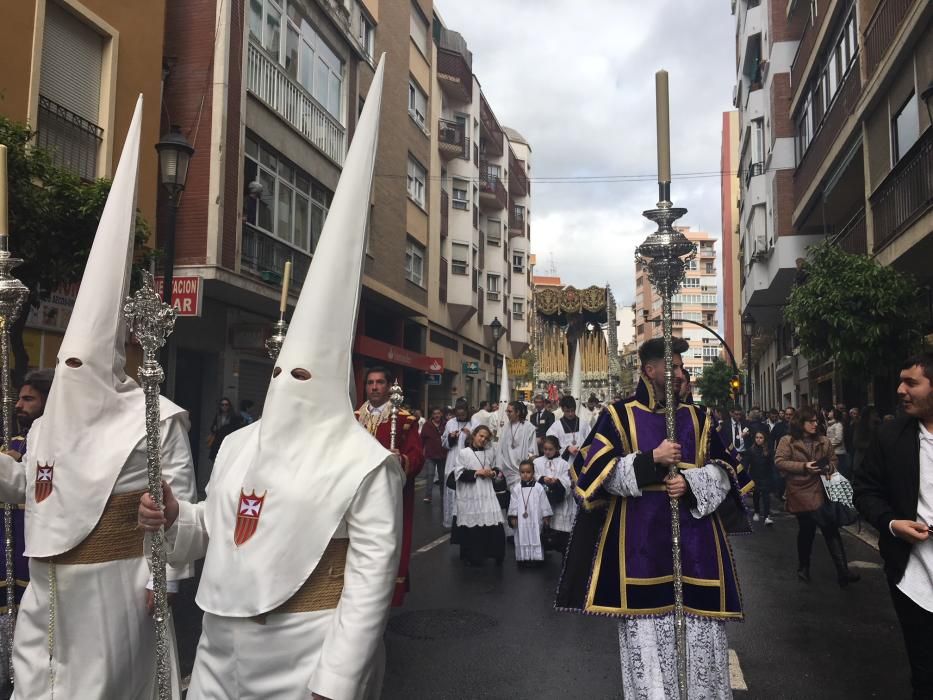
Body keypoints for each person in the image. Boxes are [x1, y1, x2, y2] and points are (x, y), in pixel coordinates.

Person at [138, 59, 402, 700]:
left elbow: (370, 580)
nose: (287, 381)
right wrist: (173, 518)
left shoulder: (365, 463)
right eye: (282, 371)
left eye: (303, 372)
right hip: (221, 647)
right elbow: (208, 534)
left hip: (305, 654)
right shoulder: (236, 447)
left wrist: (335, 683)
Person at [0, 98, 196, 698]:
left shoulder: (156, 420)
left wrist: (162, 572)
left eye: (85, 363)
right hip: (48, 596)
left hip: (118, 598)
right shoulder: (47, 424)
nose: (74, 373)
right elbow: (32, 487)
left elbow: (186, 518)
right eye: (66, 364)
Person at [557, 337, 750, 698]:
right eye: (672, 366)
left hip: (697, 551)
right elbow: (589, 477)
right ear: (650, 370)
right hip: (639, 551)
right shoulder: (617, 415)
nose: (681, 373)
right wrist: (651, 460)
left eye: (681, 366)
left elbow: (729, 471)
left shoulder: (700, 417)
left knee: (702, 642)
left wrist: (693, 483)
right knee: (647, 647)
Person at [854, 353, 933, 698]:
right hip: (913, 579)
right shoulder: (890, 437)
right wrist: (891, 523)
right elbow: (865, 492)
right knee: (925, 675)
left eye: (911, 382)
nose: (900, 390)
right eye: (901, 381)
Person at [0, 370, 53, 694]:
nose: (19, 405)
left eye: (28, 399)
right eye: (18, 398)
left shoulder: (51, 442)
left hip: (37, 548)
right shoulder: (14, 443)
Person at [356, 365, 424, 607]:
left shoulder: (405, 421)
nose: (374, 387)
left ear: (388, 387)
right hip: (355, 494)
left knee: (385, 545)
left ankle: (382, 593)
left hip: (388, 495)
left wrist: (400, 461)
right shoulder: (353, 419)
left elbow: (416, 457)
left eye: (379, 382)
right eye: (370, 382)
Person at [775, 406, 859, 587]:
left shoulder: (824, 440)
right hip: (800, 490)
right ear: (800, 423)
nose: (815, 424)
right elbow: (780, 462)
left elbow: (834, 461)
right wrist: (805, 466)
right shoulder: (787, 440)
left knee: (829, 526)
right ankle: (805, 567)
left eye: (816, 421)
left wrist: (829, 467)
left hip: (822, 489)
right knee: (808, 530)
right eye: (810, 421)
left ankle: (841, 571)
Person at [454, 426, 506, 566]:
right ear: (474, 435)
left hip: (487, 491)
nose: (483, 440)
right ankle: (473, 556)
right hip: (471, 492)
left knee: (493, 522)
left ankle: (495, 554)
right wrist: (477, 473)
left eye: (486, 438)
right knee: (473, 524)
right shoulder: (464, 453)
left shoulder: (490, 452)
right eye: (481, 436)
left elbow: (498, 470)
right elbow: (458, 474)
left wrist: (493, 473)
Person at [508, 460, 552, 567]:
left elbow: (544, 503)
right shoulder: (516, 488)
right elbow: (513, 503)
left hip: (535, 518)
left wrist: (546, 517)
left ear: (533, 473)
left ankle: (536, 559)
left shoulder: (538, 487)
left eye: (528, 472)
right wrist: (513, 516)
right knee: (521, 536)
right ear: (519, 473)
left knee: (536, 535)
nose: (525, 475)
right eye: (522, 472)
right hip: (521, 520)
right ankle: (523, 558)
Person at [533, 435, 573, 554]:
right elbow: (533, 475)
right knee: (543, 526)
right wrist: (542, 478)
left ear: (557, 449)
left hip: (557, 496)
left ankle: (561, 546)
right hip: (542, 495)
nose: (547, 452)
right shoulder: (537, 462)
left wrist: (558, 481)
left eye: (550, 449)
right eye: (545, 449)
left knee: (559, 526)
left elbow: (567, 480)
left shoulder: (564, 464)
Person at [442, 400, 472, 529]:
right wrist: (450, 437)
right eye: (458, 415)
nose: (460, 417)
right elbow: (443, 442)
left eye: (463, 415)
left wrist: (470, 436)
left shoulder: (473, 423)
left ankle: (466, 519)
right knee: (451, 490)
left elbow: (481, 441)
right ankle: (451, 521)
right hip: (452, 460)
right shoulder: (450, 423)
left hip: (468, 462)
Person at [498, 400, 537, 488]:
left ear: (518, 412)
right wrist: (499, 467)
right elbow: (500, 449)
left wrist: (530, 466)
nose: (507, 414)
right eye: (507, 411)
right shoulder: (505, 428)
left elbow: (532, 450)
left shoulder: (528, 427)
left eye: (510, 411)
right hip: (508, 470)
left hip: (523, 470)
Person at [746, 429, 774, 526]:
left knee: (766, 497)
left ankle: (767, 516)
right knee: (756, 495)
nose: (758, 440)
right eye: (757, 438)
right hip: (755, 477)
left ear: (764, 439)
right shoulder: (751, 450)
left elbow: (772, 464)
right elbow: (747, 463)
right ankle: (757, 512)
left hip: (766, 477)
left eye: (761, 438)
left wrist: (773, 477)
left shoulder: (769, 451)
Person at [421, 407, 447, 504]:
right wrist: (421, 451)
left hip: (442, 454)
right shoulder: (427, 425)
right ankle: (428, 496)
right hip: (430, 455)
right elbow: (422, 440)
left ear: (441, 414)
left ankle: (443, 495)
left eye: (438, 413)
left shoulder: (445, 424)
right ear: (432, 415)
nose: (436, 415)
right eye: (435, 413)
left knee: (442, 477)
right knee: (430, 475)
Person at [546, 395, 585, 462]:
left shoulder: (583, 424)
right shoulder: (556, 426)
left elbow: (589, 442)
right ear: (562, 409)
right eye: (567, 411)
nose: (570, 414)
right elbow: (550, 444)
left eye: (572, 411)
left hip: (581, 460)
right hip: (563, 463)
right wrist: (567, 449)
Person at [208, 397, 243, 461]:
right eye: (222, 404)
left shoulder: (233, 416)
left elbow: (237, 429)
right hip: (218, 441)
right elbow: (212, 428)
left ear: (229, 406)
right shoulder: (218, 416)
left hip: (228, 441)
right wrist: (214, 428)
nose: (224, 406)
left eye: (226, 404)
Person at [827, 408, 850, 478]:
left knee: (840, 473)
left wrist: (828, 445)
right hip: (833, 452)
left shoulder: (838, 425)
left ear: (835, 414)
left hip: (839, 453)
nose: (829, 412)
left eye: (831, 411)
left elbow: (838, 439)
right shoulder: (831, 424)